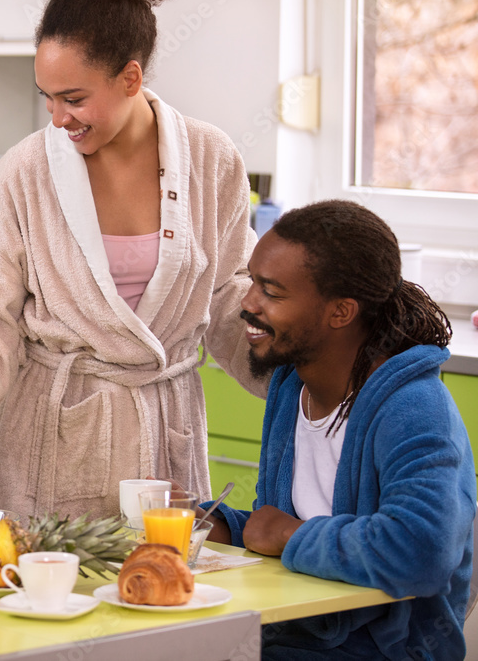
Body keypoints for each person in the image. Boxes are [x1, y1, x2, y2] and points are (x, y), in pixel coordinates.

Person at [0, 0, 266, 519]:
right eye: (47, 98)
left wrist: (301, 369)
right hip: (55, 440)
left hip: (165, 431)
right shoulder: (24, 173)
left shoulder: (211, 159)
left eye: (73, 99)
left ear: (130, 77)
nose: (58, 119)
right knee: (49, 592)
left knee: (162, 587)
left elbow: (232, 291)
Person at [204, 199, 475, 659]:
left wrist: (288, 536)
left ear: (341, 312)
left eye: (271, 291)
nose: (248, 304)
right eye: (252, 281)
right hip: (291, 629)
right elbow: (302, 524)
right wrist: (221, 526)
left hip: (383, 649)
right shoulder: (292, 387)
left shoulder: (412, 406)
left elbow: (422, 551)